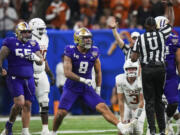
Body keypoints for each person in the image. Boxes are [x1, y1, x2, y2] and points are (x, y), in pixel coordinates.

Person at [51, 27, 131, 135]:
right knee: (61, 112)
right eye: (85, 38)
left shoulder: (94, 51)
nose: (88, 40)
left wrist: (98, 88)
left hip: (86, 88)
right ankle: (53, 132)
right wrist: (83, 79)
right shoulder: (70, 50)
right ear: (78, 39)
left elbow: (98, 72)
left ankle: (122, 127)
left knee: (103, 108)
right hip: (72, 87)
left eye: (89, 38)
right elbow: (67, 73)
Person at [0, 21, 44, 135]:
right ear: (18, 33)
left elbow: (40, 61)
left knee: (28, 104)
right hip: (14, 77)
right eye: (24, 32)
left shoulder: (33, 44)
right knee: (19, 103)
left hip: (29, 78)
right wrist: (1, 70)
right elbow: (1, 57)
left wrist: (35, 57)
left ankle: (25, 131)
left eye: (29, 32)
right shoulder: (10, 42)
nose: (27, 34)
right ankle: (9, 125)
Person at [131, 15, 172, 134]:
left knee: (149, 101)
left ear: (146, 26)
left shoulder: (140, 38)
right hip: (160, 69)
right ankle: (163, 130)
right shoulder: (161, 34)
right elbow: (170, 24)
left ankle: (152, 130)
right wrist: (169, 7)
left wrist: (139, 54)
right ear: (155, 26)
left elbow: (133, 58)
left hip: (147, 70)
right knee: (159, 100)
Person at [155, 1, 179, 134]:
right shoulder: (151, 38)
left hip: (170, 75)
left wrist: (170, 6)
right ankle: (154, 128)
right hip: (155, 74)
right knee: (155, 104)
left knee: (173, 103)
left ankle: (166, 120)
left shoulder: (173, 39)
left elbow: (179, 60)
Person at [28, 18, 55, 135]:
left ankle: (45, 129)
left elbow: (44, 58)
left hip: (41, 72)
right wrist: (29, 73)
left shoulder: (45, 38)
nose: (42, 31)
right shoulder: (27, 38)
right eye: (39, 29)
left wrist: (50, 74)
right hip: (27, 73)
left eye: (43, 29)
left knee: (44, 101)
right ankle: (10, 126)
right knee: (23, 103)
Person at [116, 59, 145, 135]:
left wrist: (136, 118)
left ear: (137, 69)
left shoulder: (141, 80)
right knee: (122, 130)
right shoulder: (120, 79)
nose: (131, 71)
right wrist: (122, 117)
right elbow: (121, 100)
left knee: (137, 131)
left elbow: (142, 102)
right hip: (127, 105)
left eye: (133, 69)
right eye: (129, 69)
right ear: (125, 69)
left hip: (140, 107)